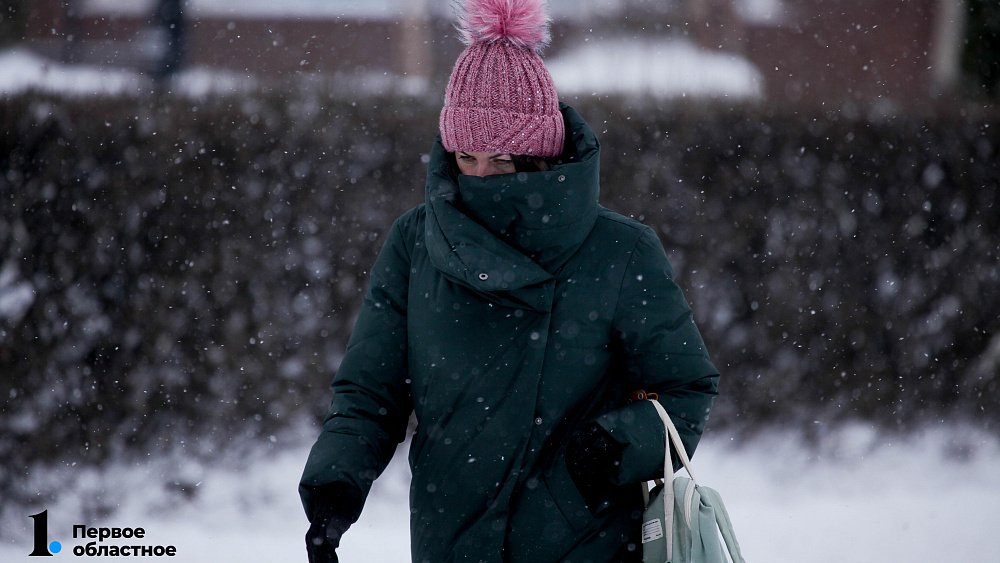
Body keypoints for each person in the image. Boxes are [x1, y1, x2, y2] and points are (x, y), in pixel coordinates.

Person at [299, 0, 719, 561]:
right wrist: (334, 489)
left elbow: (685, 389)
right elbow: (371, 393)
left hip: (584, 545)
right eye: (466, 157)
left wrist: (610, 448)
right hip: (449, 542)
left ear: (541, 154)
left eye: (501, 159)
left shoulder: (619, 252)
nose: (480, 176)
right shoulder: (414, 243)